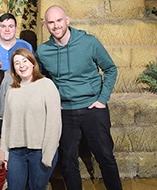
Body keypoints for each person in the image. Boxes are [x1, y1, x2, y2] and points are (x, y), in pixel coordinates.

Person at [36, 5, 122, 190]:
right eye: (51, 22)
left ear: (67, 20)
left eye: (59, 20)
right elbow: (41, 80)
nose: (56, 25)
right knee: (67, 161)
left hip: (93, 107)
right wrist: (53, 101)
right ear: (45, 25)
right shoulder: (43, 51)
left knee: (105, 156)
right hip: (65, 111)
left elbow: (110, 69)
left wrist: (102, 99)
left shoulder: (89, 42)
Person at [0, 48, 62, 189]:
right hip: (16, 152)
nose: (21, 65)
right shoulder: (12, 91)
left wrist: (48, 154)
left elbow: (54, 123)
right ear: (13, 69)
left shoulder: (47, 85)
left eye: (24, 61)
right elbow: (7, 125)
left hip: (40, 151)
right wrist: (5, 154)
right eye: (17, 63)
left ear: (33, 63)